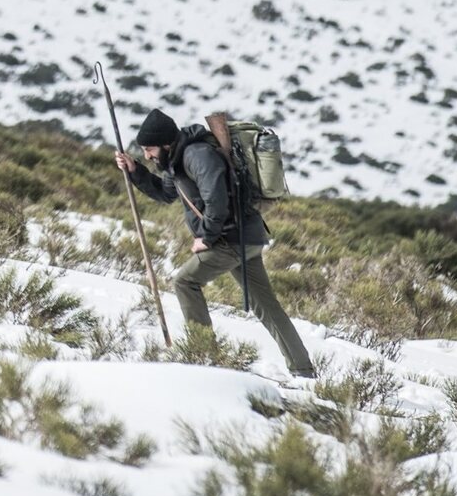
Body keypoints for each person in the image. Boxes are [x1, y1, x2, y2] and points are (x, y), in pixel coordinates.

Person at [114, 108, 315, 377]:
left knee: (185, 282)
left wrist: (206, 238)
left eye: (149, 149)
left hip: (230, 239)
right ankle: (303, 368)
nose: (148, 156)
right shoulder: (176, 161)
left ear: (165, 143)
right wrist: (135, 171)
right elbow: (165, 193)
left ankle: (203, 358)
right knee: (266, 305)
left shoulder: (197, 156)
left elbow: (216, 201)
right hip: (245, 237)